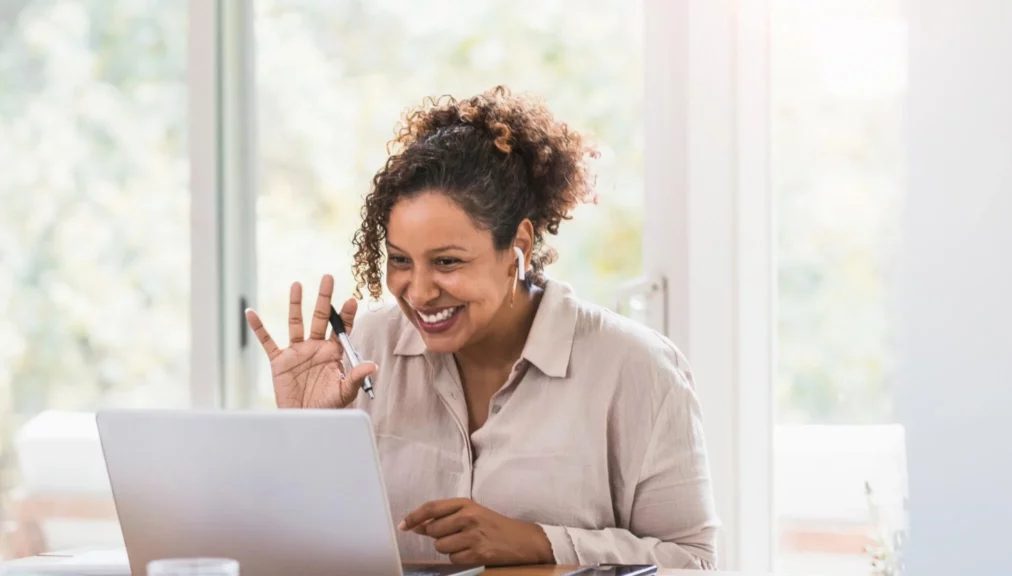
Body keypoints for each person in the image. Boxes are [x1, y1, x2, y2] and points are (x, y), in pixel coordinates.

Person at [245, 86, 718, 568]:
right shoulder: (361, 352)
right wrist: (302, 433)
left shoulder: (635, 368)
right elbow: (297, 554)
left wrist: (538, 542)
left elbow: (694, 560)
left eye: (447, 262)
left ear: (518, 246)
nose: (419, 291)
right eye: (402, 261)